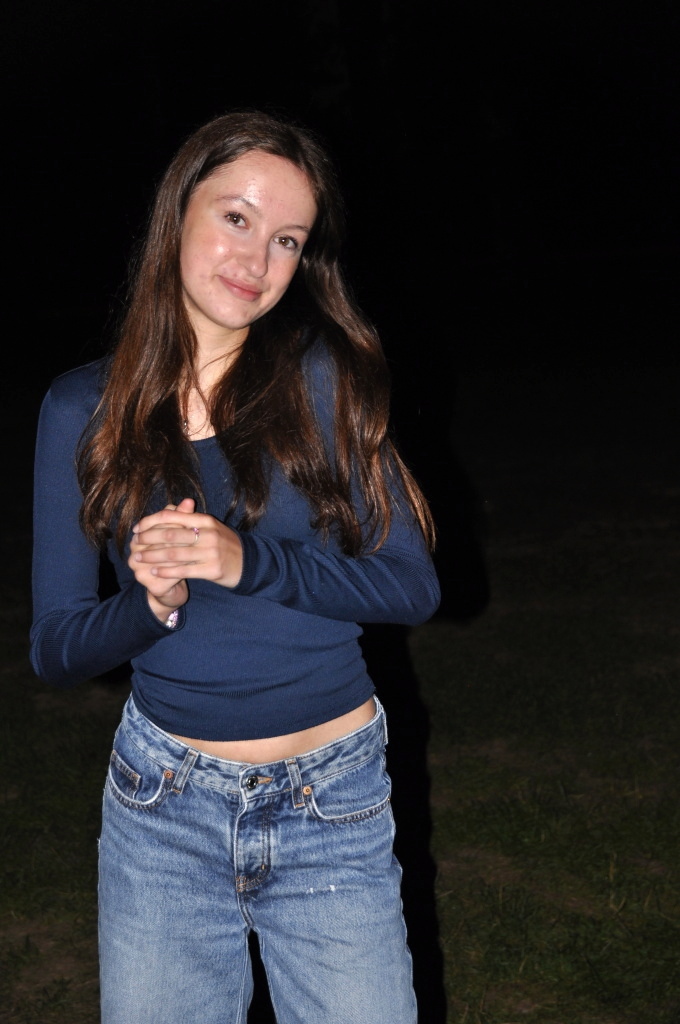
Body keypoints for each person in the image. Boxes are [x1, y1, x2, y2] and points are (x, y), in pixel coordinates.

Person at [30, 110, 440, 1024]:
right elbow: (55, 649)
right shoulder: (81, 410)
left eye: (287, 239)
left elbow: (412, 586)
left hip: (331, 800)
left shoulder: (325, 381)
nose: (257, 260)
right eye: (237, 218)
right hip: (161, 807)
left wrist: (247, 560)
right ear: (178, 211)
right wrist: (148, 605)